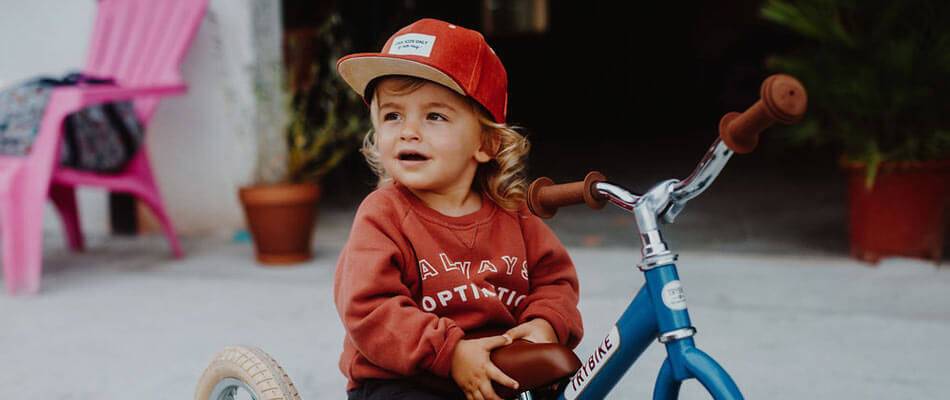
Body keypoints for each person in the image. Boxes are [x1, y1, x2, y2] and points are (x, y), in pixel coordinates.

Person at [334, 18, 583, 400]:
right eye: (392, 115)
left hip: (498, 371)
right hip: (407, 377)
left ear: (485, 143)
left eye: (434, 116)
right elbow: (370, 308)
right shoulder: (382, 215)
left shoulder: (512, 215)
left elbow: (555, 281)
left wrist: (544, 323)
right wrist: (451, 353)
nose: (408, 131)